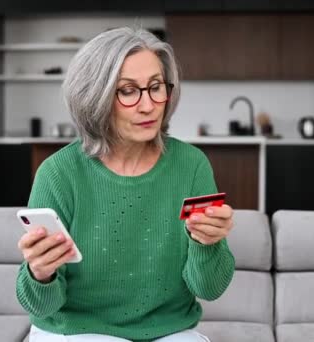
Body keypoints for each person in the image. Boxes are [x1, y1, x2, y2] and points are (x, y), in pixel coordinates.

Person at [16, 26, 235, 342]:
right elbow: (41, 305)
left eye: (155, 86)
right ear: (96, 97)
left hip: (169, 331)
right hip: (78, 331)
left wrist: (207, 244)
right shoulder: (58, 174)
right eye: (128, 91)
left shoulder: (192, 165)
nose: (148, 105)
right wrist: (40, 273)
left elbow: (210, 289)